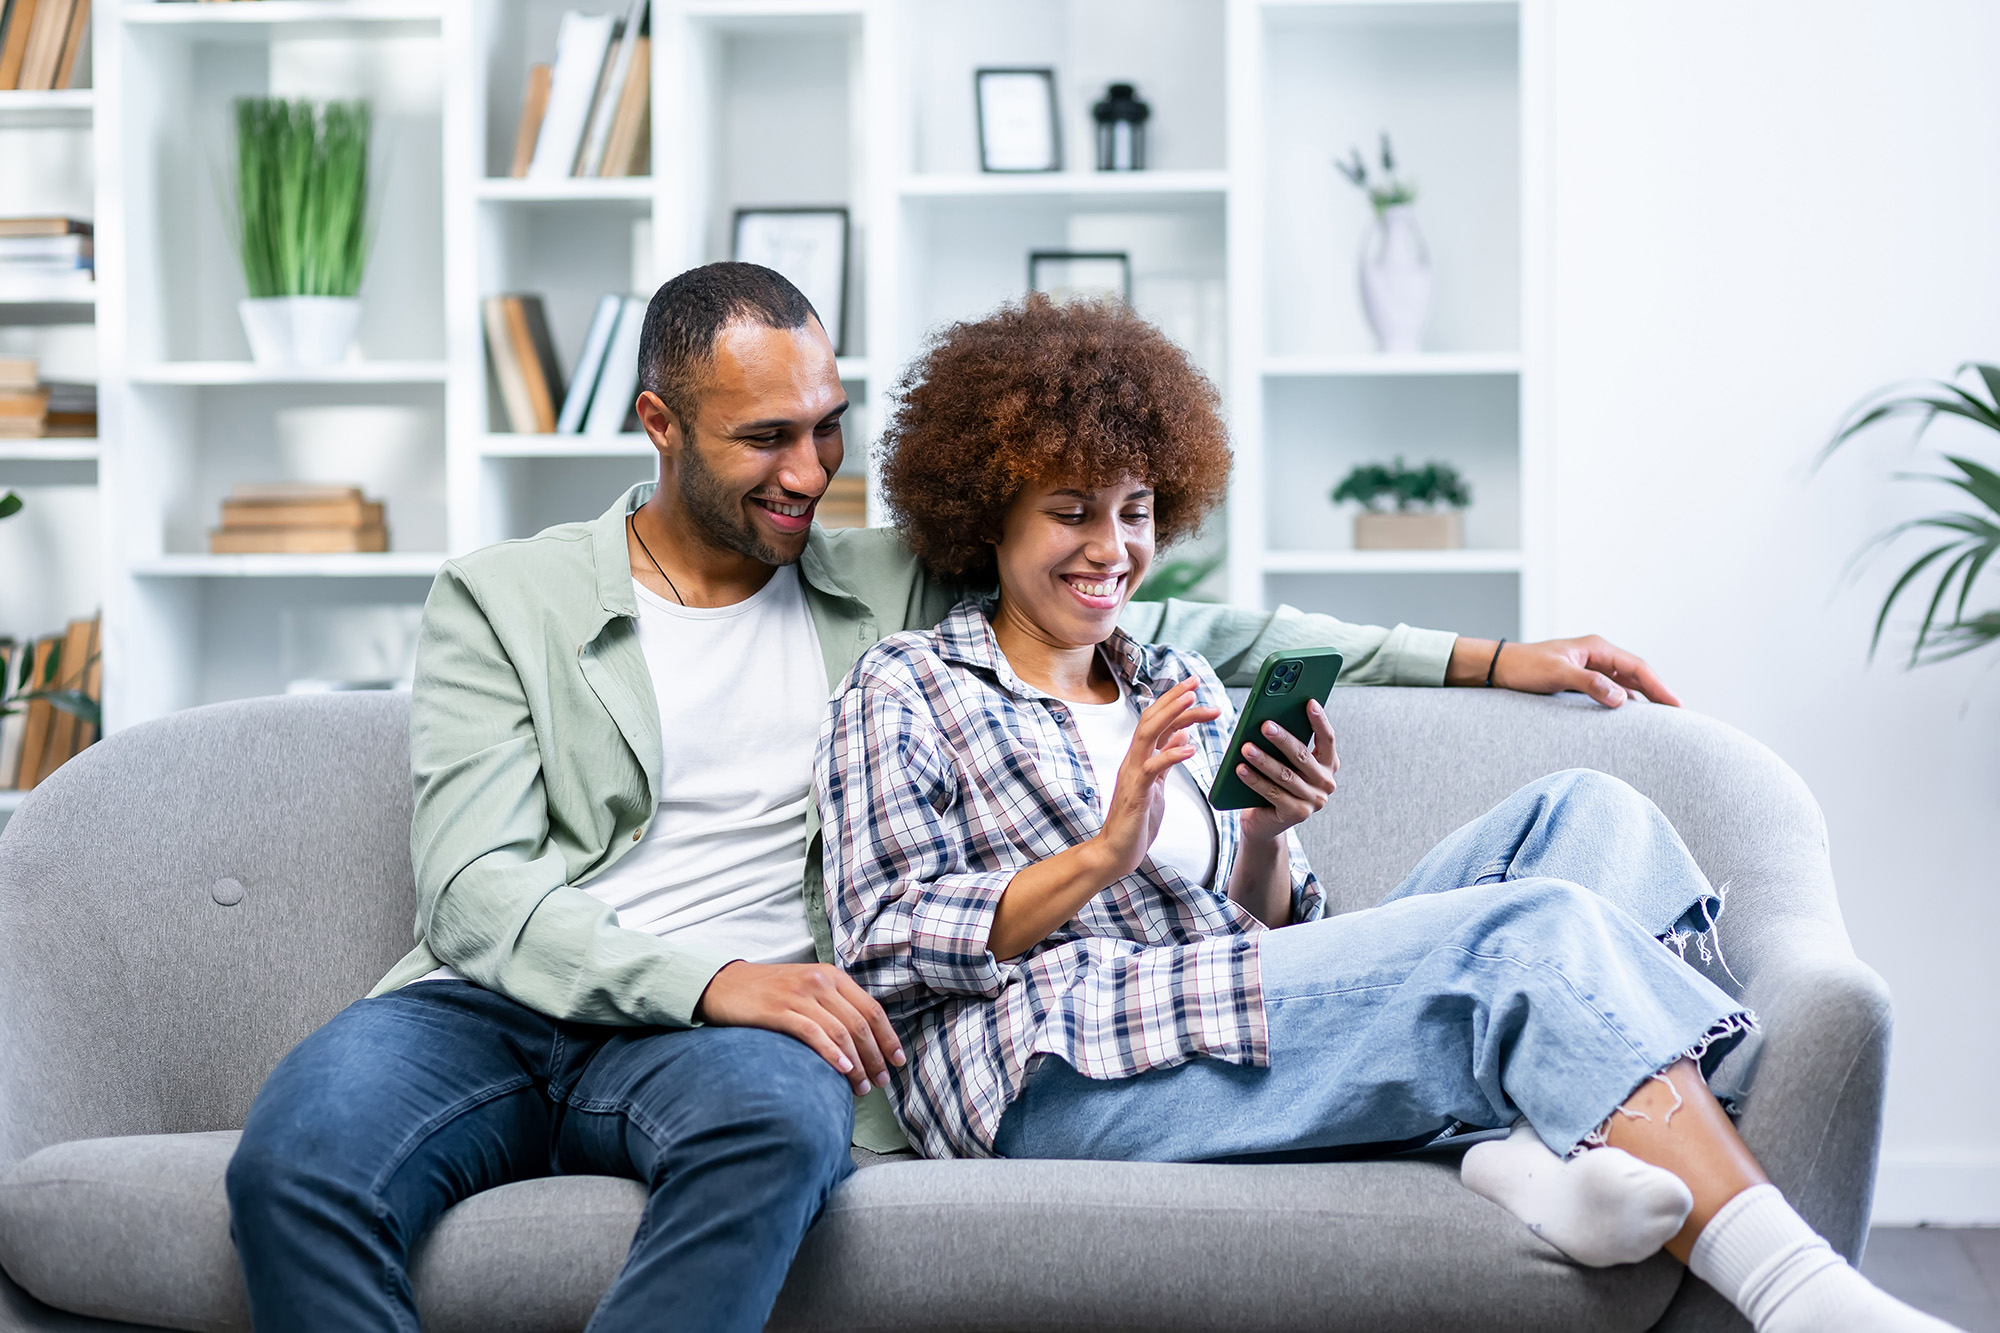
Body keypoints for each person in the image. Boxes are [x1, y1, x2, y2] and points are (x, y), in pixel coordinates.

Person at [225, 262, 1703, 1333]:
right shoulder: (508, 597)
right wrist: (716, 977)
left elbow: (1175, 612)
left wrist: (1496, 654)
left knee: (774, 1137)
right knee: (297, 1161)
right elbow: (477, 891)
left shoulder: (877, 579)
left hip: (767, 1020)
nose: (812, 474)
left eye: (828, 425)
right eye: (765, 440)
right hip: (505, 1005)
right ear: (658, 426)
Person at [817, 295, 1955, 1333]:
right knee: (1529, 931)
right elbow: (890, 946)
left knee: (1589, 816)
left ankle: (1527, 1140)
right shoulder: (908, 685)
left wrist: (1262, 836)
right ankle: (1799, 1295)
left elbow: (1268, 929)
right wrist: (1101, 855)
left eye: (1135, 511)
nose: (1110, 549)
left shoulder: (1170, 675)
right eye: (1069, 513)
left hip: (1218, 1003)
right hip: (1050, 1068)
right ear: (986, 518)